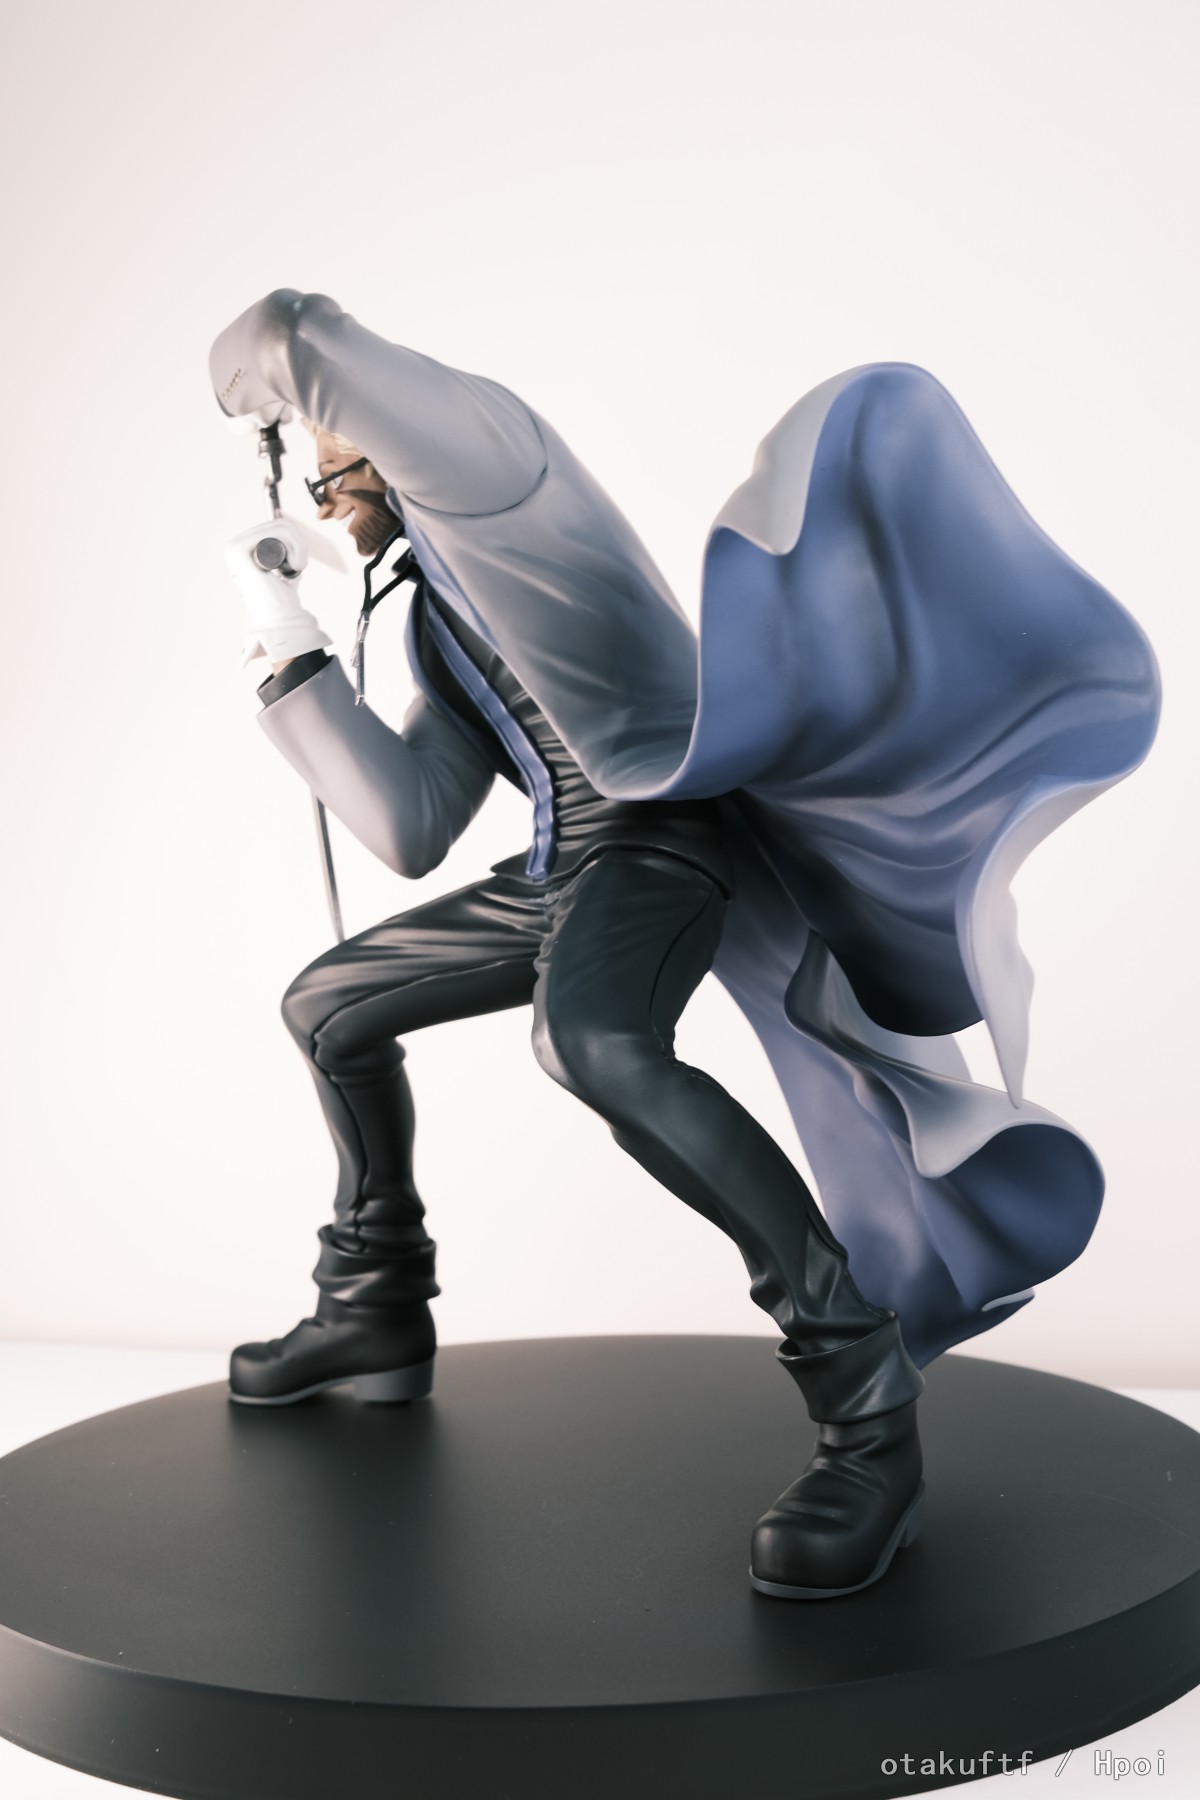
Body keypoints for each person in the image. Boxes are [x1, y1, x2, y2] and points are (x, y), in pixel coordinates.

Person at [210, 290, 1159, 1598]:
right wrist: (286, 642)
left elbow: (295, 335)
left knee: (593, 1041)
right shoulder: (435, 613)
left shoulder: (498, 478)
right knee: (329, 1006)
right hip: (557, 872)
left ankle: (865, 1406)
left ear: (374, 437)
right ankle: (374, 1301)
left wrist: (259, 395)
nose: (328, 503)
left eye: (332, 469)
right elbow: (412, 825)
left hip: (659, 845)